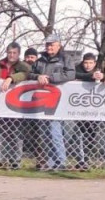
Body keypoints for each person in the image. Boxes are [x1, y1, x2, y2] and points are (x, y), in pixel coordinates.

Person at [29, 33, 75, 170]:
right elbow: (30, 73)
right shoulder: (40, 60)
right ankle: (50, 162)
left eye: (52, 44)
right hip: (41, 100)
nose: (49, 47)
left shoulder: (66, 58)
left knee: (56, 132)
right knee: (44, 133)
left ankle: (61, 161)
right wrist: (38, 76)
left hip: (57, 100)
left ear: (59, 45)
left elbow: (71, 74)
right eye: (47, 44)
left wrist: (50, 77)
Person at [0, 42, 32, 169]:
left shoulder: (23, 66)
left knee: (16, 134)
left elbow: (26, 74)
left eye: (14, 53)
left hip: (16, 105)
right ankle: (1, 160)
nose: (12, 55)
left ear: (19, 54)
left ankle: (15, 161)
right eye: (10, 52)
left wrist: (10, 78)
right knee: (0, 134)